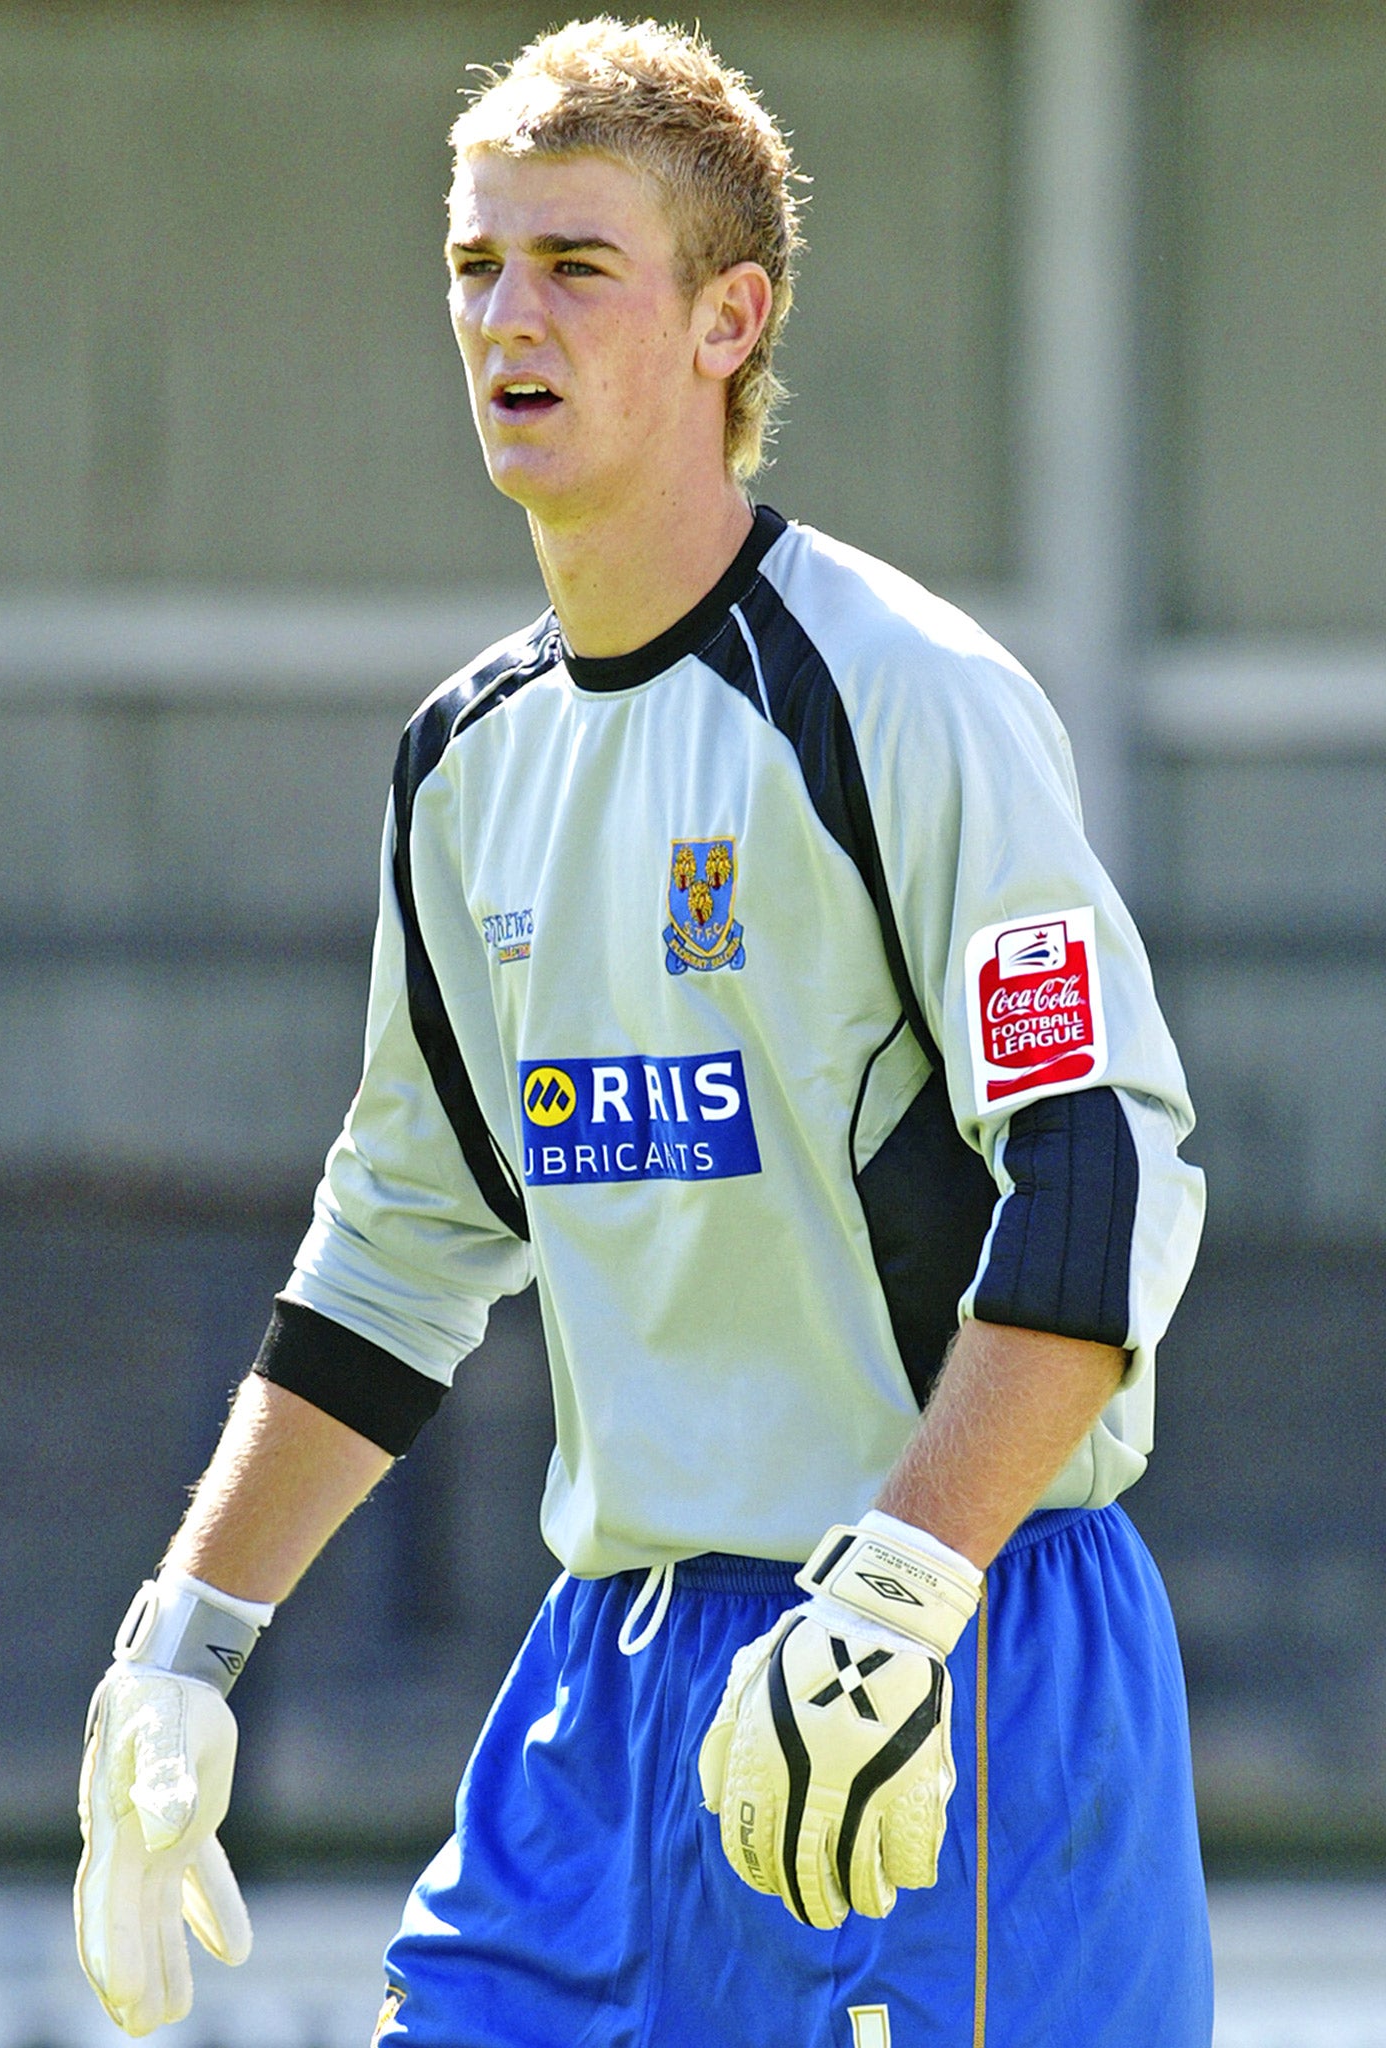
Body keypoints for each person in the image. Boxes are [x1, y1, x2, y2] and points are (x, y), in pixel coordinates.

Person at [74, 19, 1213, 2047]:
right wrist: (183, 1644)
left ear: (728, 319)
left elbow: (1101, 1179)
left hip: (949, 1656)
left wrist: (897, 1593)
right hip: (610, 1683)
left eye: (576, 265)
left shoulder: (905, 698)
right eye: (473, 265)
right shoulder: (463, 764)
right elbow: (404, 1241)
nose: (507, 316)